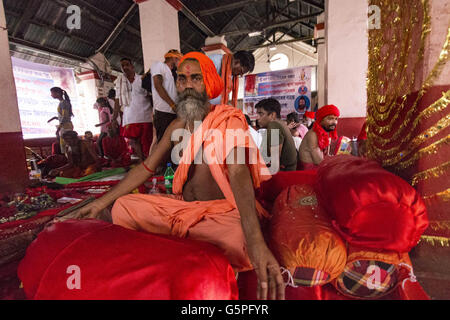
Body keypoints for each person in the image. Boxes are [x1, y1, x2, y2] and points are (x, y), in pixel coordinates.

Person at [74, 52, 285, 300]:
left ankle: (177, 245)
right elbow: (146, 167)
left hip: (221, 213)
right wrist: (101, 202)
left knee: (240, 237)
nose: (187, 85)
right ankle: (191, 245)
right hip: (181, 209)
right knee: (123, 206)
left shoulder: (229, 119)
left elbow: (239, 172)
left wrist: (255, 239)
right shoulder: (176, 126)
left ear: (208, 83)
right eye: (182, 79)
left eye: (195, 78)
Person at [115, 58, 153, 162]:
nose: (125, 67)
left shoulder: (142, 79)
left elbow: (151, 96)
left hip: (145, 115)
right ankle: (142, 162)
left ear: (132, 66)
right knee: (134, 141)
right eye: (122, 65)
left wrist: (155, 112)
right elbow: (117, 100)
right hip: (130, 116)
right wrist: (114, 118)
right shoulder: (120, 82)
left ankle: (151, 162)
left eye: (127, 64)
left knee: (148, 141)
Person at [255, 98, 298, 171]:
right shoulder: (279, 123)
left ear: (272, 115)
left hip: (284, 175)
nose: (257, 117)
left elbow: (275, 164)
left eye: (261, 114)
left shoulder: (274, 126)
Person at [151, 49, 183, 142]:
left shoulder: (171, 73)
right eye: (179, 59)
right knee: (163, 143)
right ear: (173, 58)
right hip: (163, 112)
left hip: (171, 112)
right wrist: (172, 105)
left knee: (171, 143)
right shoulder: (158, 65)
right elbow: (158, 85)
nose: (180, 62)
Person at [298, 105, 340, 170]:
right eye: (330, 119)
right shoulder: (313, 134)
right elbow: (318, 161)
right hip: (310, 172)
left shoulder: (324, 133)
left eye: (336, 119)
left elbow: (324, 157)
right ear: (321, 120)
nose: (334, 122)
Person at [48, 87, 74, 153]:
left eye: (52, 93)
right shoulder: (63, 102)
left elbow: (65, 117)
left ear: (58, 93)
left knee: (66, 146)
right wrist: (55, 118)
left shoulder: (63, 103)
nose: (51, 95)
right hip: (66, 126)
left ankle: (70, 160)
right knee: (66, 146)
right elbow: (64, 116)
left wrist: (58, 128)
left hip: (65, 127)